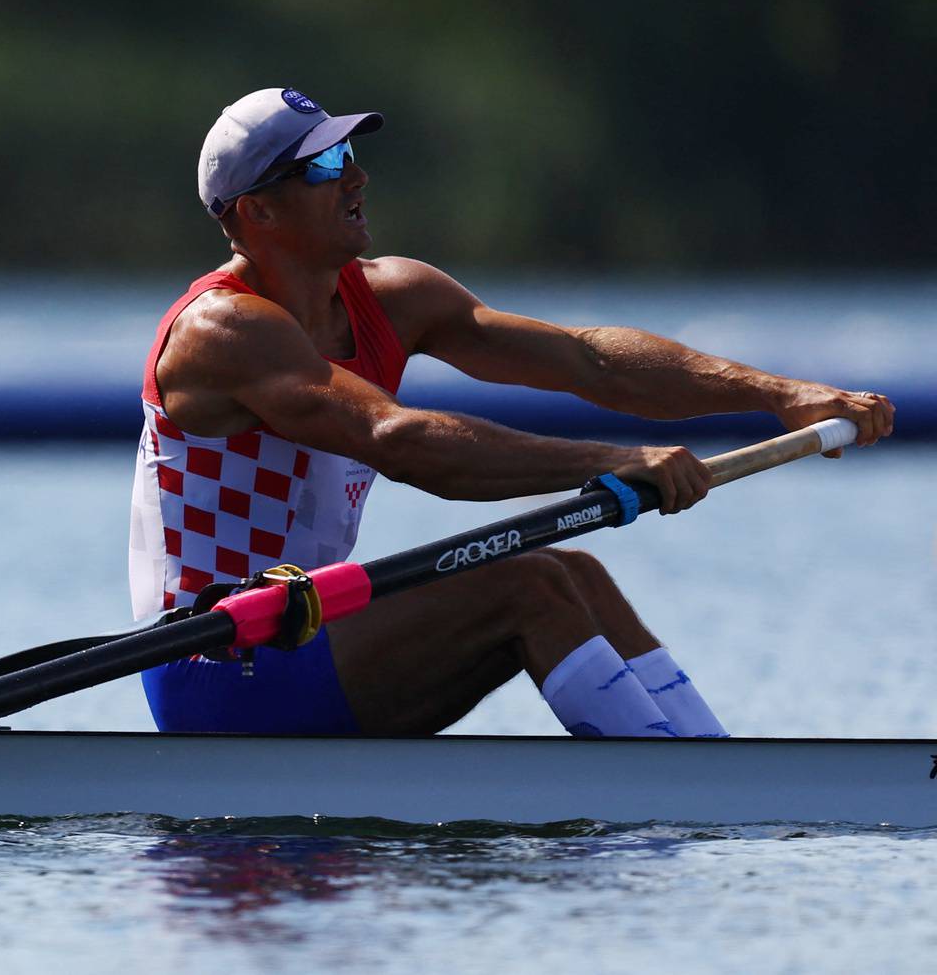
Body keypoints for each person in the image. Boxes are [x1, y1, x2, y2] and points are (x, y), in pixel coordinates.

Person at [129, 88, 892, 738]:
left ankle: (711, 770)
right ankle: (684, 795)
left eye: (353, 155)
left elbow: (588, 359)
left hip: (305, 632)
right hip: (217, 667)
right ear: (257, 210)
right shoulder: (224, 331)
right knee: (526, 587)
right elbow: (399, 441)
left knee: (575, 573)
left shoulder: (394, 298)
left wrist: (777, 393)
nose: (356, 175)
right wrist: (611, 463)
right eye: (326, 165)